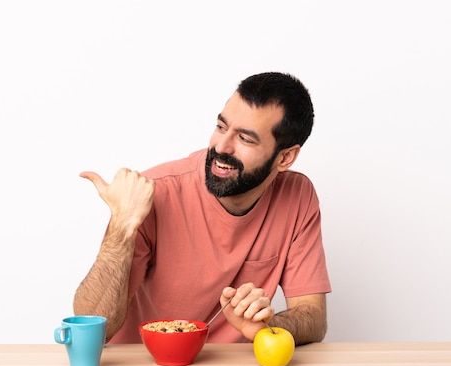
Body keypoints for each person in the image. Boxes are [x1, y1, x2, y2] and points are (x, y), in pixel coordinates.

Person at [74, 72, 331, 345]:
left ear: (285, 157)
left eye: (245, 139)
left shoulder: (297, 197)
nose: (221, 146)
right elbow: (92, 329)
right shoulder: (155, 193)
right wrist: (122, 226)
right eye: (221, 127)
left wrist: (267, 325)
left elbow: (314, 318)